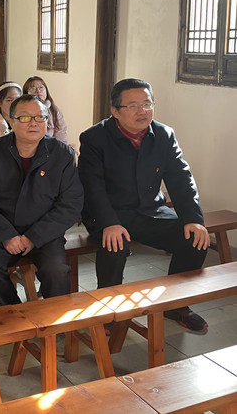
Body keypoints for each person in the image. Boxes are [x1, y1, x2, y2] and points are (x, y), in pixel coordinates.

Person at [78, 78, 210, 332]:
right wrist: (109, 223)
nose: (143, 111)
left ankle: (176, 305)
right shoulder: (95, 138)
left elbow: (181, 179)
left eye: (147, 104)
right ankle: (106, 310)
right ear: (115, 111)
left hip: (150, 211)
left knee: (194, 239)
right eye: (133, 105)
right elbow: (92, 187)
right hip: (109, 213)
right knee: (114, 246)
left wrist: (194, 219)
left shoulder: (163, 134)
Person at [0, 94, 84, 306]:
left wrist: (34, 237)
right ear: (11, 121)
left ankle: (52, 317)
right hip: (2, 229)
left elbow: (71, 204)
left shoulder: (62, 155)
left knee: (56, 271)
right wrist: (6, 235)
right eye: (24, 118)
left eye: (40, 117)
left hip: (45, 232)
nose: (33, 123)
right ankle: (15, 311)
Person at [23, 76, 68, 144]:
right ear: (26, 93)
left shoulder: (54, 110)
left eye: (41, 87)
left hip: (51, 148)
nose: (38, 91)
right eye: (33, 88)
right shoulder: (22, 110)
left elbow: (61, 136)